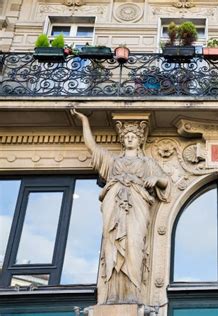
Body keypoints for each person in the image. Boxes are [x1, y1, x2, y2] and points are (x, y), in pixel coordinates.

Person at [71, 109, 169, 304]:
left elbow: (165, 182)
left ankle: (132, 293)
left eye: (133, 136)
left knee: (134, 246)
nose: (130, 139)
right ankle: (114, 295)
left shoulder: (147, 162)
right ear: (123, 140)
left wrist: (155, 178)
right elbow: (92, 147)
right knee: (112, 246)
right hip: (114, 207)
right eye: (127, 136)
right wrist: (84, 121)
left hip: (137, 206)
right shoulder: (113, 162)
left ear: (140, 140)